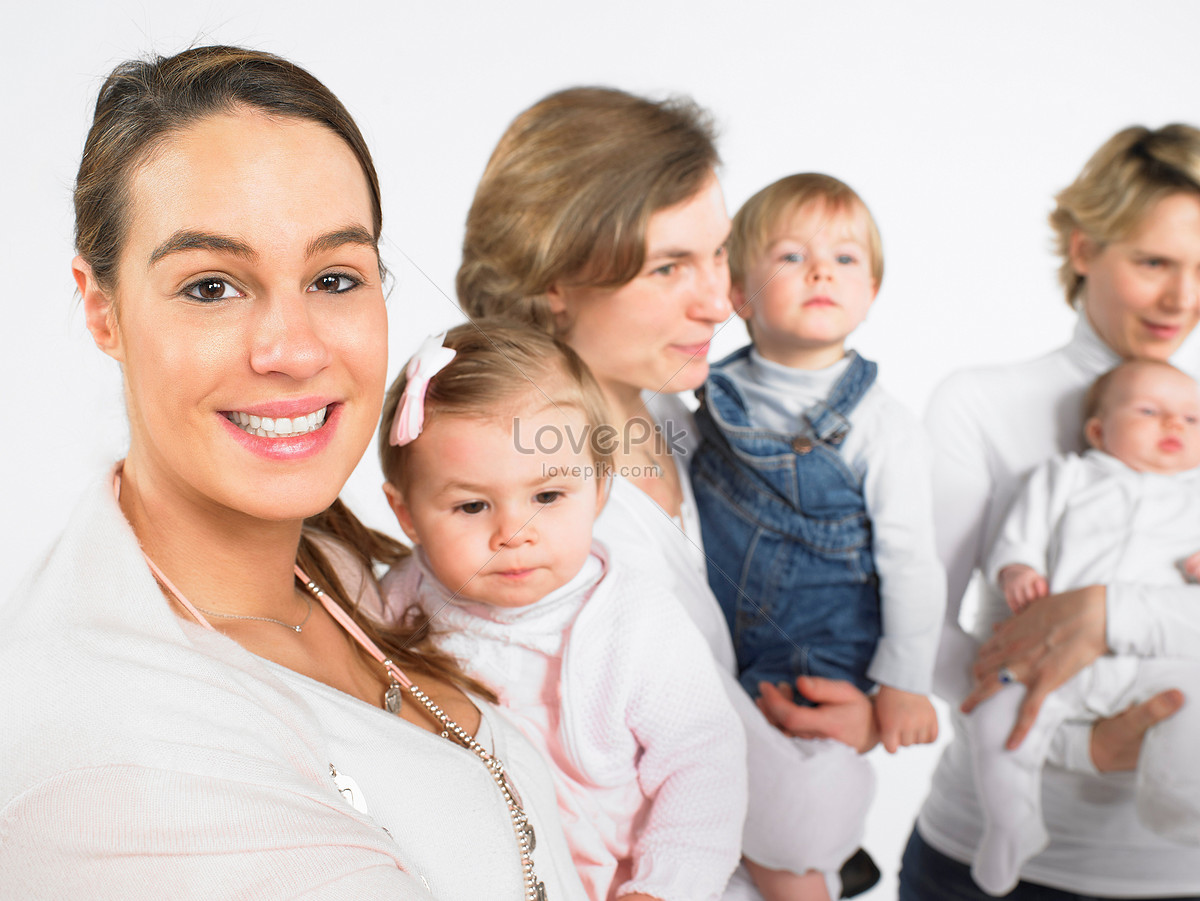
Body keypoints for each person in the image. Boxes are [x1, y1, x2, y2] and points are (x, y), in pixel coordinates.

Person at [0, 46, 587, 900]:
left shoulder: (334, 567)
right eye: (211, 287)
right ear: (102, 308)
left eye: (334, 277)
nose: (295, 348)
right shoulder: (124, 767)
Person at [458, 86, 879, 901]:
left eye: (718, 253)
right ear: (554, 280)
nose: (718, 301)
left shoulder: (672, 409)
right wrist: (846, 753)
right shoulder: (551, 515)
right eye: (667, 267)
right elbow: (789, 822)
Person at [899, 124, 1200, 900]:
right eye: (1154, 262)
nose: (1183, 299)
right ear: (1082, 248)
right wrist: (1075, 746)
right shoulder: (983, 405)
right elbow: (910, 619)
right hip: (980, 868)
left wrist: (1109, 611)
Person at [375, 322, 747, 901]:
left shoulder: (636, 619)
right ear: (407, 515)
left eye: (546, 497)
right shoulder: (397, 604)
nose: (513, 533)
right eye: (472, 505)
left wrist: (665, 888)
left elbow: (702, 763)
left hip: (620, 879)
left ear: (600, 490)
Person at [692, 173, 943, 758]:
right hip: (710, 640)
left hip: (817, 658)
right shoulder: (704, 389)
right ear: (739, 293)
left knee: (801, 793)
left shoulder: (883, 427)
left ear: (871, 291)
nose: (821, 271)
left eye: (845, 258)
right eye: (791, 256)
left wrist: (904, 681)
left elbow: (911, 564)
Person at [967, 359, 1200, 894]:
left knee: (1192, 706)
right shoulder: (1066, 476)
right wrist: (1019, 568)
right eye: (1150, 412)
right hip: (1050, 662)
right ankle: (1011, 824)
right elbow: (1021, 533)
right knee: (994, 720)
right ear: (1098, 430)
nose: (1175, 426)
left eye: (1191, 419)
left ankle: (1183, 803)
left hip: (1150, 665)